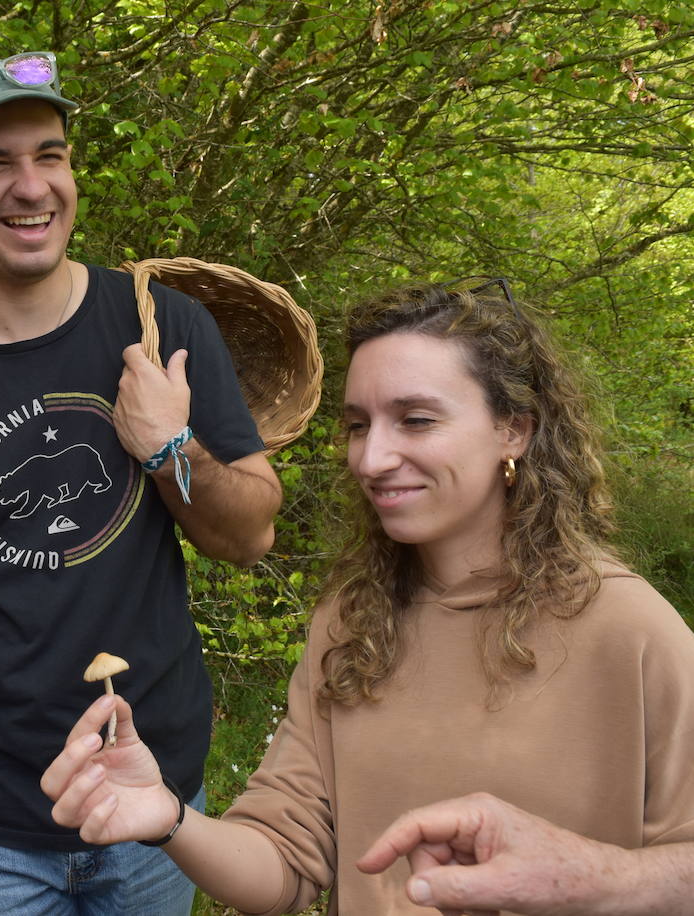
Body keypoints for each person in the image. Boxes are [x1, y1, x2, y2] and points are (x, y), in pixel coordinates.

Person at [43, 281, 694, 914]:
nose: (372, 457)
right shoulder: (354, 622)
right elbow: (284, 859)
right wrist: (167, 818)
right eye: (358, 425)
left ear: (513, 431)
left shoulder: (629, 631)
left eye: (415, 420)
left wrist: (589, 878)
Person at [0, 52, 283, 915]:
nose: (31, 187)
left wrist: (170, 450)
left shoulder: (160, 324)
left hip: (151, 798)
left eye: (50, 156)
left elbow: (250, 535)